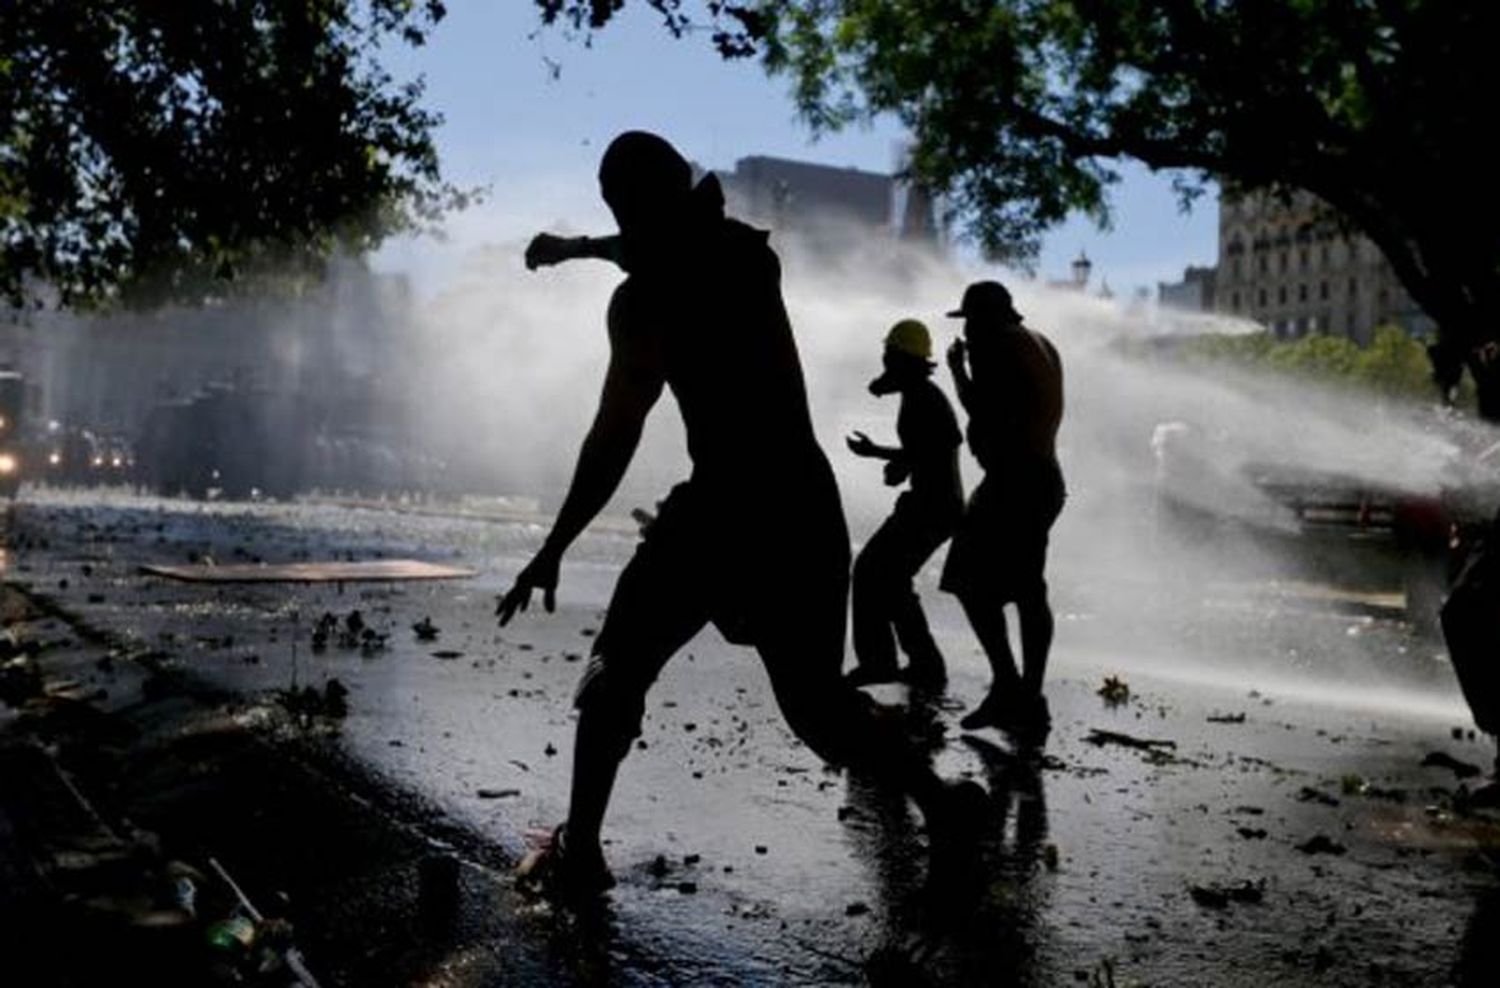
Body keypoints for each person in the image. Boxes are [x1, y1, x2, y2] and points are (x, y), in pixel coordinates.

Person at [497, 131, 985, 897]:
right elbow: (618, 416)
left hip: (742, 504)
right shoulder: (717, 271)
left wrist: (576, 248)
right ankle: (939, 801)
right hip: (784, 504)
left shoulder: (699, 279)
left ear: (637, 204)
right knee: (796, 705)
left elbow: (619, 422)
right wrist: (553, 544)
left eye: (622, 201)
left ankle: (581, 849)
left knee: (645, 671)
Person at [941, 281, 1065, 742]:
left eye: (970, 321)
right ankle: (1025, 697)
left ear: (986, 318)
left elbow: (985, 411)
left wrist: (957, 371)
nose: (967, 331)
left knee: (968, 580)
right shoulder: (1041, 343)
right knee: (1028, 590)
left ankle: (1011, 687)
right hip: (1043, 479)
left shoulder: (994, 345)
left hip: (1014, 483)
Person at [844, 319, 963, 691]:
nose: (884, 360)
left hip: (932, 507)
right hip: (933, 505)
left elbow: (939, 448)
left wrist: (890, 459)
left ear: (903, 360)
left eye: (889, 355)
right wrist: (892, 458)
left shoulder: (924, 398)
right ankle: (924, 663)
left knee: (869, 571)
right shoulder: (917, 393)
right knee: (892, 580)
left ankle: (881, 662)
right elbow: (925, 450)